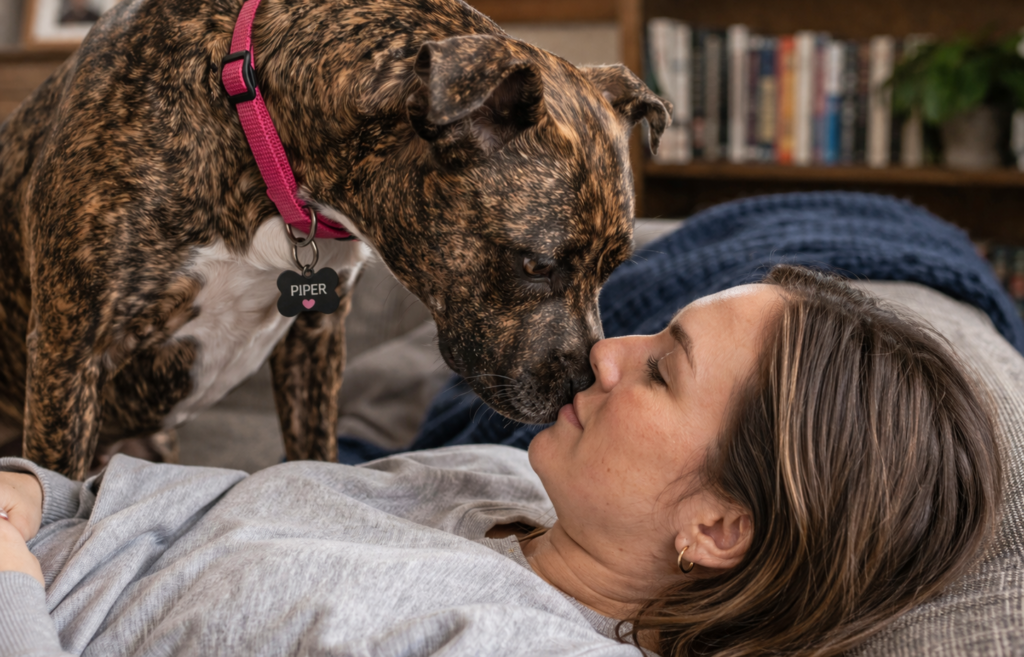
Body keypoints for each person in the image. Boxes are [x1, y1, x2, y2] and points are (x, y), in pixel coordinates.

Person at [0, 265, 1001, 657]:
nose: (605, 351)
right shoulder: (506, 479)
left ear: (718, 528)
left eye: (660, 373)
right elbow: (177, 517)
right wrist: (37, 493)